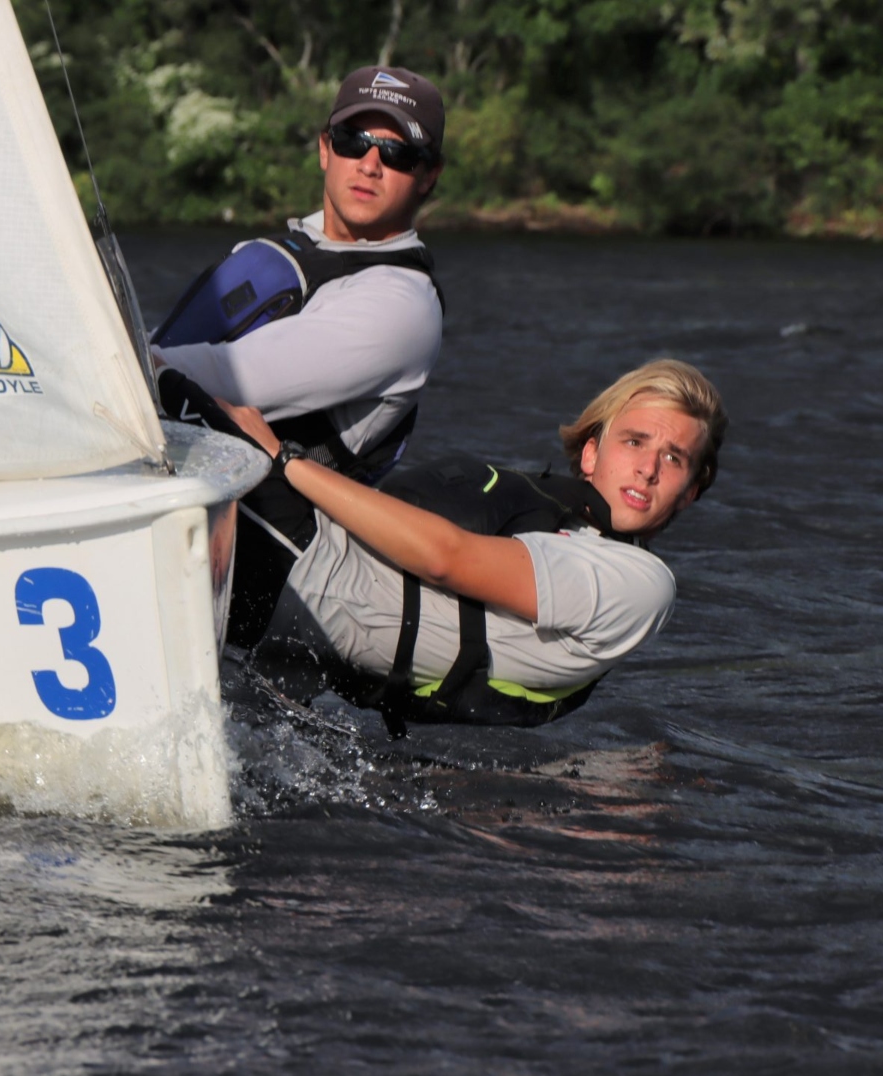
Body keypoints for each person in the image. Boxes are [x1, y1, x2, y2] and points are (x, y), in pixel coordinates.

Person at [213, 359, 728, 737]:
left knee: (180, 406)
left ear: (690, 491)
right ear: (591, 453)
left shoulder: (639, 582)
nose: (648, 468)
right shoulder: (558, 522)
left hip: (308, 570)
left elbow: (446, 559)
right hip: (304, 587)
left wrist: (283, 459)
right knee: (181, 392)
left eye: (675, 458)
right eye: (635, 442)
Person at [152, 65, 448, 648]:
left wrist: (79, 362)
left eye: (397, 154)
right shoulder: (285, 252)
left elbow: (219, 375)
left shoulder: (401, 307)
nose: (369, 163)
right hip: (181, 515)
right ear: (324, 150)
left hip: (258, 581)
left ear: (428, 176)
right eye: (352, 141)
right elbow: (161, 361)